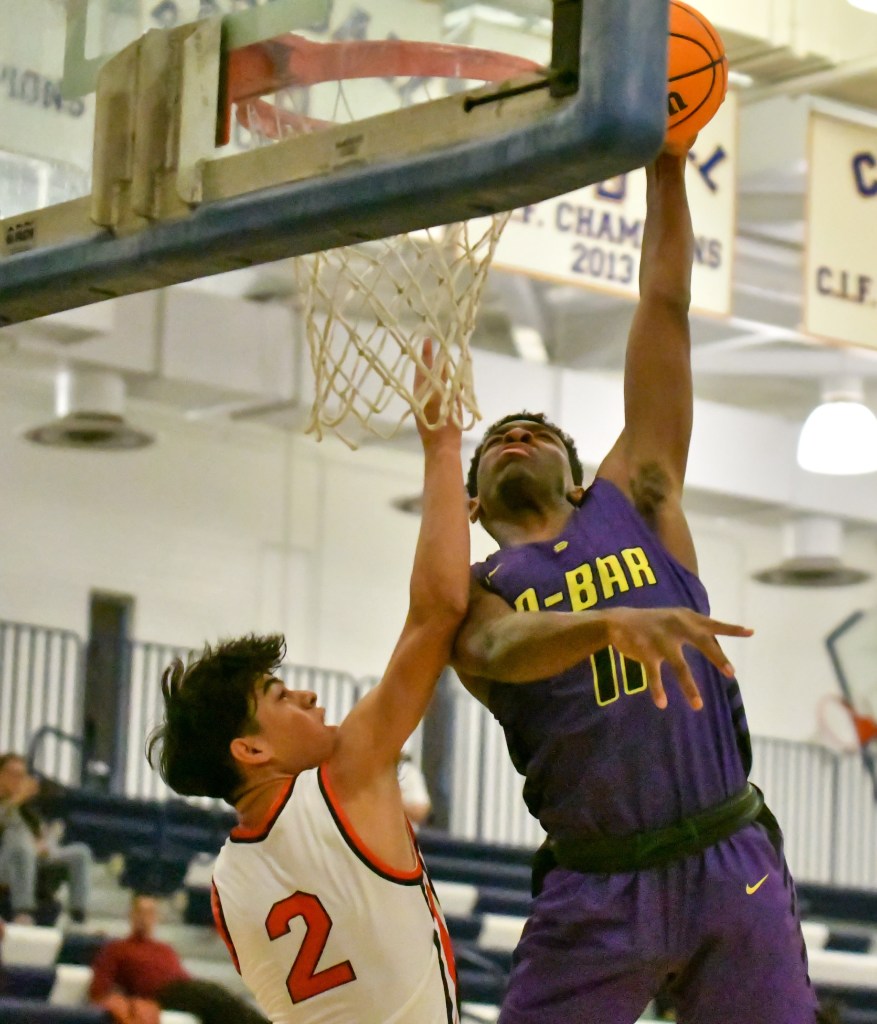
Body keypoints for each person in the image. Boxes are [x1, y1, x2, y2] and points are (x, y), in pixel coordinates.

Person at [452, 150, 820, 1023]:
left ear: (579, 478)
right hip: (597, 883)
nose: (516, 435)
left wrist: (667, 168)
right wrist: (606, 623)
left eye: (537, 431)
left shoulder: (635, 502)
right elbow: (494, 648)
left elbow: (664, 305)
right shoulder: (477, 588)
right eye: (497, 439)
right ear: (471, 505)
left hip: (726, 851)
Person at [146, 341, 468, 1024]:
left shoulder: (225, 889)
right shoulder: (344, 775)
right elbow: (438, 611)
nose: (309, 697)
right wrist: (442, 448)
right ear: (250, 749)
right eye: (280, 696)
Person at [89, 891, 268, 1024]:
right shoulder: (117, 949)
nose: (144, 918)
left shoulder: (164, 949)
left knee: (220, 1000)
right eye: (140, 912)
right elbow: (98, 990)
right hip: (161, 996)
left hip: (185, 991)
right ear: (131, 915)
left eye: (150, 913)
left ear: (156, 918)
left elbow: (184, 979)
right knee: (213, 996)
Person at [0, 752, 92, 925]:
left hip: (31, 860)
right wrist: (16, 800)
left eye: (22, 775)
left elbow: (38, 834)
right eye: (13, 774)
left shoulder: (27, 809)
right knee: (21, 844)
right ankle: (23, 911)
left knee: (80, 853)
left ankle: (77, 916)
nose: (18, 780)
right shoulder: (12, 803)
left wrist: (44, 844)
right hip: (6, 861)